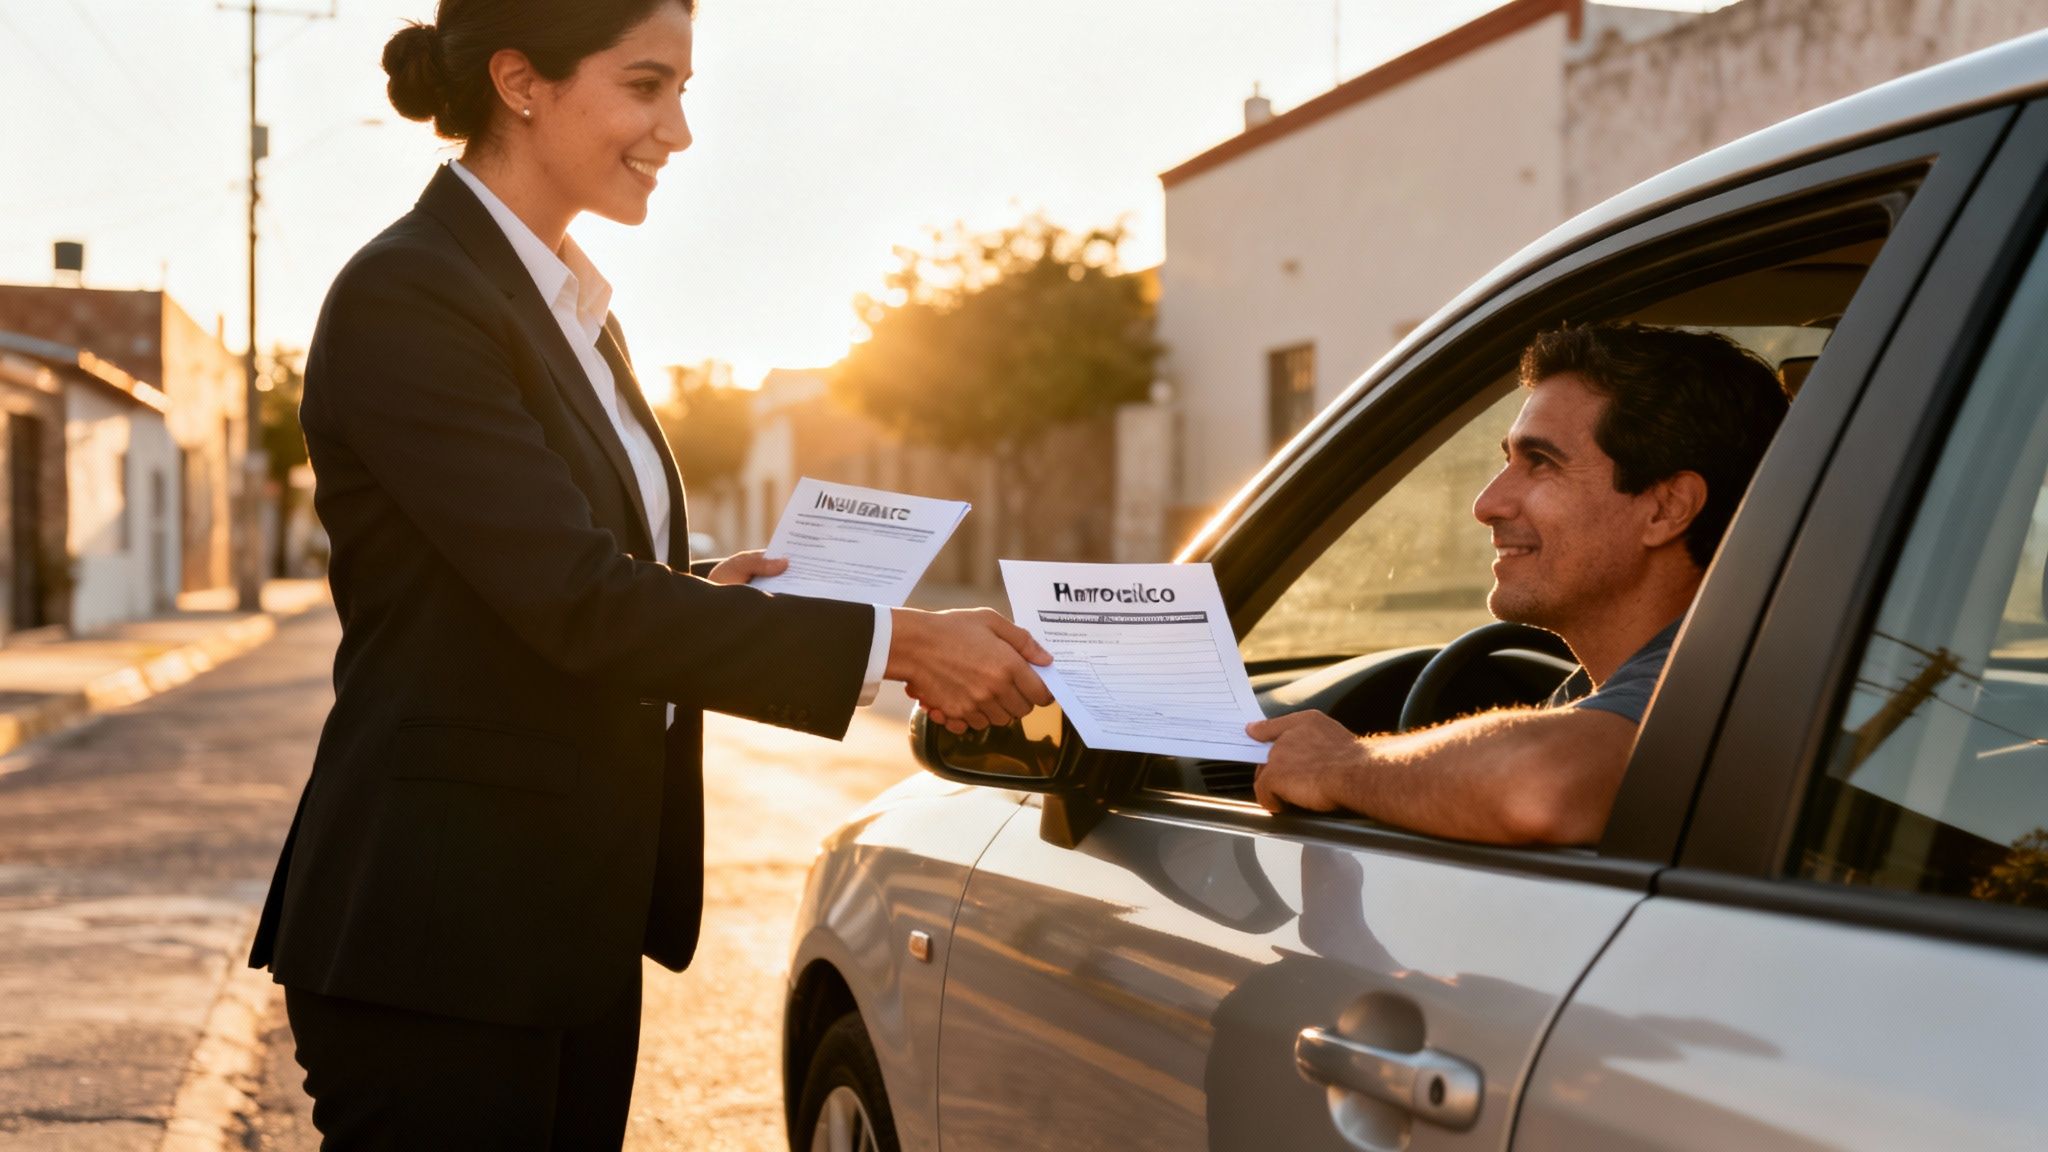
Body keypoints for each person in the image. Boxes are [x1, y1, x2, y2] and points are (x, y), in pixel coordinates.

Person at [245, 1, 1051, 1145]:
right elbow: (571, 597)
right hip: (439, 935)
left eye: (683, 91)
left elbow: (569, 568)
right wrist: (899, 644)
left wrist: (713, 588)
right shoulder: (411, 295)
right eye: (644, 86)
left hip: (559, 916)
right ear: (522, 83)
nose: (676, 129)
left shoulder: (567, 303)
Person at [1250, 322, 1788, 846]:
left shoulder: (1719, 685)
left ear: (1666, 508)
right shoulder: (1604, 689)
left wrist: (1344, 766)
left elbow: (1540, 786)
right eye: (1509, 460)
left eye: (1542, 463)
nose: (1487, 504)